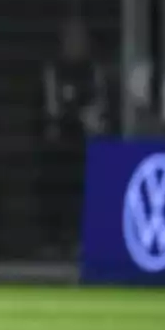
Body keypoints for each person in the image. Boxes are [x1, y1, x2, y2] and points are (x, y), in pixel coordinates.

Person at [36, 16, 107, 260]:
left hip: (86, 150)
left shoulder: (93, 70)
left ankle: (81, 243)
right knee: (55, 190)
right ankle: (53, 245)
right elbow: (52, 112)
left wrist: (90, 120)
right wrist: (76, 116)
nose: (77, 42)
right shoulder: (53, 69)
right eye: (72, 37)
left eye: (81, 37)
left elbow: (100, 108)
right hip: (58, 149)